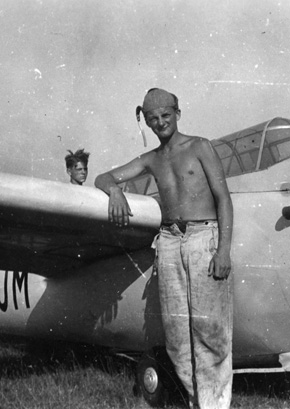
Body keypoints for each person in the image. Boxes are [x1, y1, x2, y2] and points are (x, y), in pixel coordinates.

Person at [95, 88, 233, 409]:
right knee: (176, 337)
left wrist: (223, 250)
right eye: (153, 118)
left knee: (209, 330)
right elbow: (104, 177)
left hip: (203, 238)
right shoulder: (151, 159)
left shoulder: (199, 147)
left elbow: (223, 198)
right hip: (168, 243)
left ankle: (214, 405)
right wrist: (115, 192)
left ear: (178, 113)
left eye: (166, 116)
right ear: (145, 120)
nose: (160, 123)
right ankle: (197, 401)